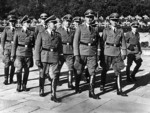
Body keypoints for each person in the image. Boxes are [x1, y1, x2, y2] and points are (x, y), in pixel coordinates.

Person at [73, 9, 101, 99]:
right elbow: (75, 42)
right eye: (88, 17)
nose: (89, 19)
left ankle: (91, 91)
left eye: (91, 17)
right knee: (79, 71)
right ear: (85, 18)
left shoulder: (95, 29)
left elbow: (98, 42)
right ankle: (77, 86)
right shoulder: (80, 27)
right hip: (82, 52)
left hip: (92, 53)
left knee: (92, 72)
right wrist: (76, 55)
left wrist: (98, 53)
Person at [35, 15, 62, 102]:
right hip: (44, 56)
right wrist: (37, 59)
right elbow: (37, 47)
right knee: (42, 74)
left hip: (54, 56)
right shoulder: (41, 34)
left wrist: (60, 57)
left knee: (54, 75)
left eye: (55, 23)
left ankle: (53, 94)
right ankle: (41, 89)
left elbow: (60, 48)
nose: (54, 24)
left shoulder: (58, 35)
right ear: (48, 24)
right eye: (53, 23)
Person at [100, 13, 127, 96]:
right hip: (107, 52)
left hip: (117, 52)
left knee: (118, 70)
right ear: (110, 21)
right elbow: (102, 42)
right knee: (105, 69)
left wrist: (124, 52)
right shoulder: (106, 30)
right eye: (113, 20)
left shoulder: (120, 30)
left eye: (116, 20)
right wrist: (100, 53)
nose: (114, 22)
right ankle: (102, 84)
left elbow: (123, 42)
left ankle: (119, 89)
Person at [11, 15, 35, 92]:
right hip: (19, 53)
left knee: (27, 70)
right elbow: (14, 44)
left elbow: (34, 44)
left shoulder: (31, 32)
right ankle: (18, 84)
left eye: (29, 22)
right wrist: (12, 55)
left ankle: (24, 84)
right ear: (23, 23)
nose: (29, 23)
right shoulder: (17, 32)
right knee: (19, 69)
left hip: (28, 53)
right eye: (27, 22)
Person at [57, 14, 75, 89]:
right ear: (63, 22)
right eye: (66, 21)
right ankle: (56, 80)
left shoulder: (73, 31)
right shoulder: (58, 30)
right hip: (61, 51)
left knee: (70, 68)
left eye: (69, 21)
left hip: (70, 51)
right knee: (58, 67)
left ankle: (70, 83)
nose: (68, 23)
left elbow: (74, 41)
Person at [1, 15, 17, 85]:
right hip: (7, 48)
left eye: (13, 21)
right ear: (9, 22)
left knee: (13, 65)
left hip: (15, 49)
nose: (12, 23)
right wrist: (3, 49)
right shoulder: (6, 29)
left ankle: (11, 79)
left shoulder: (18, 29)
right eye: (11, 21)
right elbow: (2, 40)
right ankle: (6, 79)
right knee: (7, 64)